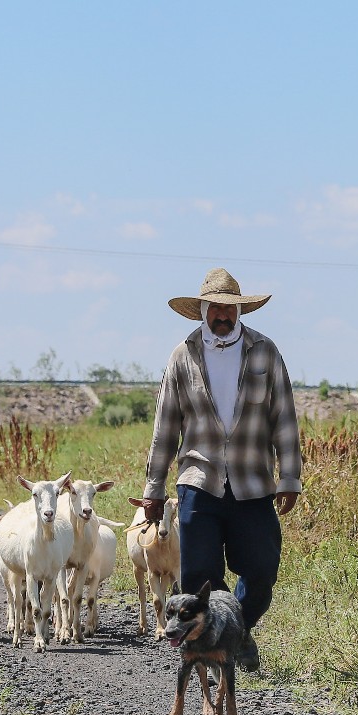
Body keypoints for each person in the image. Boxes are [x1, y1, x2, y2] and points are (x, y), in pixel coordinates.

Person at [138, 267, 302, 673]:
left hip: (253, 480)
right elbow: (165, 427)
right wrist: (154, 488)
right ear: (203, 311)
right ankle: (223, 648)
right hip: (198, 481)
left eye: (230, 309)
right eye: (216, 309)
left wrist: (290, 476)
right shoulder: (183, 355)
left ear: (240, 312)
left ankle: (237, 630)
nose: (223, 317)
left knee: (261, 572)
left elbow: (284, 418)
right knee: (198, 577)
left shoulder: (264, 352)